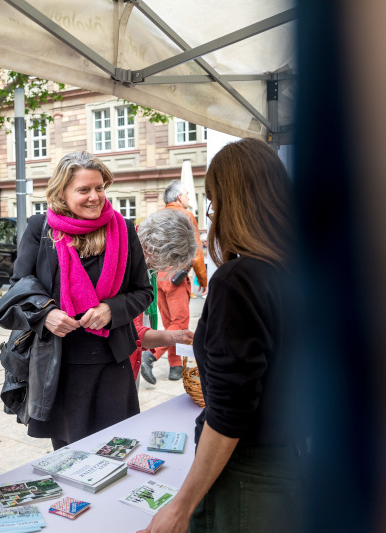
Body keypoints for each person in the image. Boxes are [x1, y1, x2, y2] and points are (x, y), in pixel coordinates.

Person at [138, 138, 303, 533]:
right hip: (287, 457)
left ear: (232, 202)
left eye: (213, 201)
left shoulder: (241, 278)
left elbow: (231, 412)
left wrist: (182, 505)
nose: (211, 215)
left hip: (248, 472)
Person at [8, 150, 153, 450]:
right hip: (59, 367)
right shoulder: (41, 229)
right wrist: (45, 314)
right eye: (83, 190)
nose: (94, 197)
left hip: (111, 366)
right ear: (62, 192)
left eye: (99, 188)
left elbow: (143, 291)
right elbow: (19, 287)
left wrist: (111, 310)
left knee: (117, 452)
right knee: (70, 458)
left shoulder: (123, 229)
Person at [141, 180, 208, 383]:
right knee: (179, 324)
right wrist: (203, 279)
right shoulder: (185, 216)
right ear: (179, 197)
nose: (188, 198)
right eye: (187, 194)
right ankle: (150, 355)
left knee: (169, 322)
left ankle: (176, 367)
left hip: (158, 275)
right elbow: (195, 252)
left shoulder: (160, 216)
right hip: (176, 275)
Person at [129, 208, 201, 380]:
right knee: (177, 320)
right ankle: (154, 358)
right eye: (164, 263)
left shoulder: (137, 257)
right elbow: (131, 332)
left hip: (127, 363)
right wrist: (173, 336)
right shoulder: (130, 263)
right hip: (118, 366)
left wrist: (175, 337)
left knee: (173, 321)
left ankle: (172, 364)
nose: (160, 269)